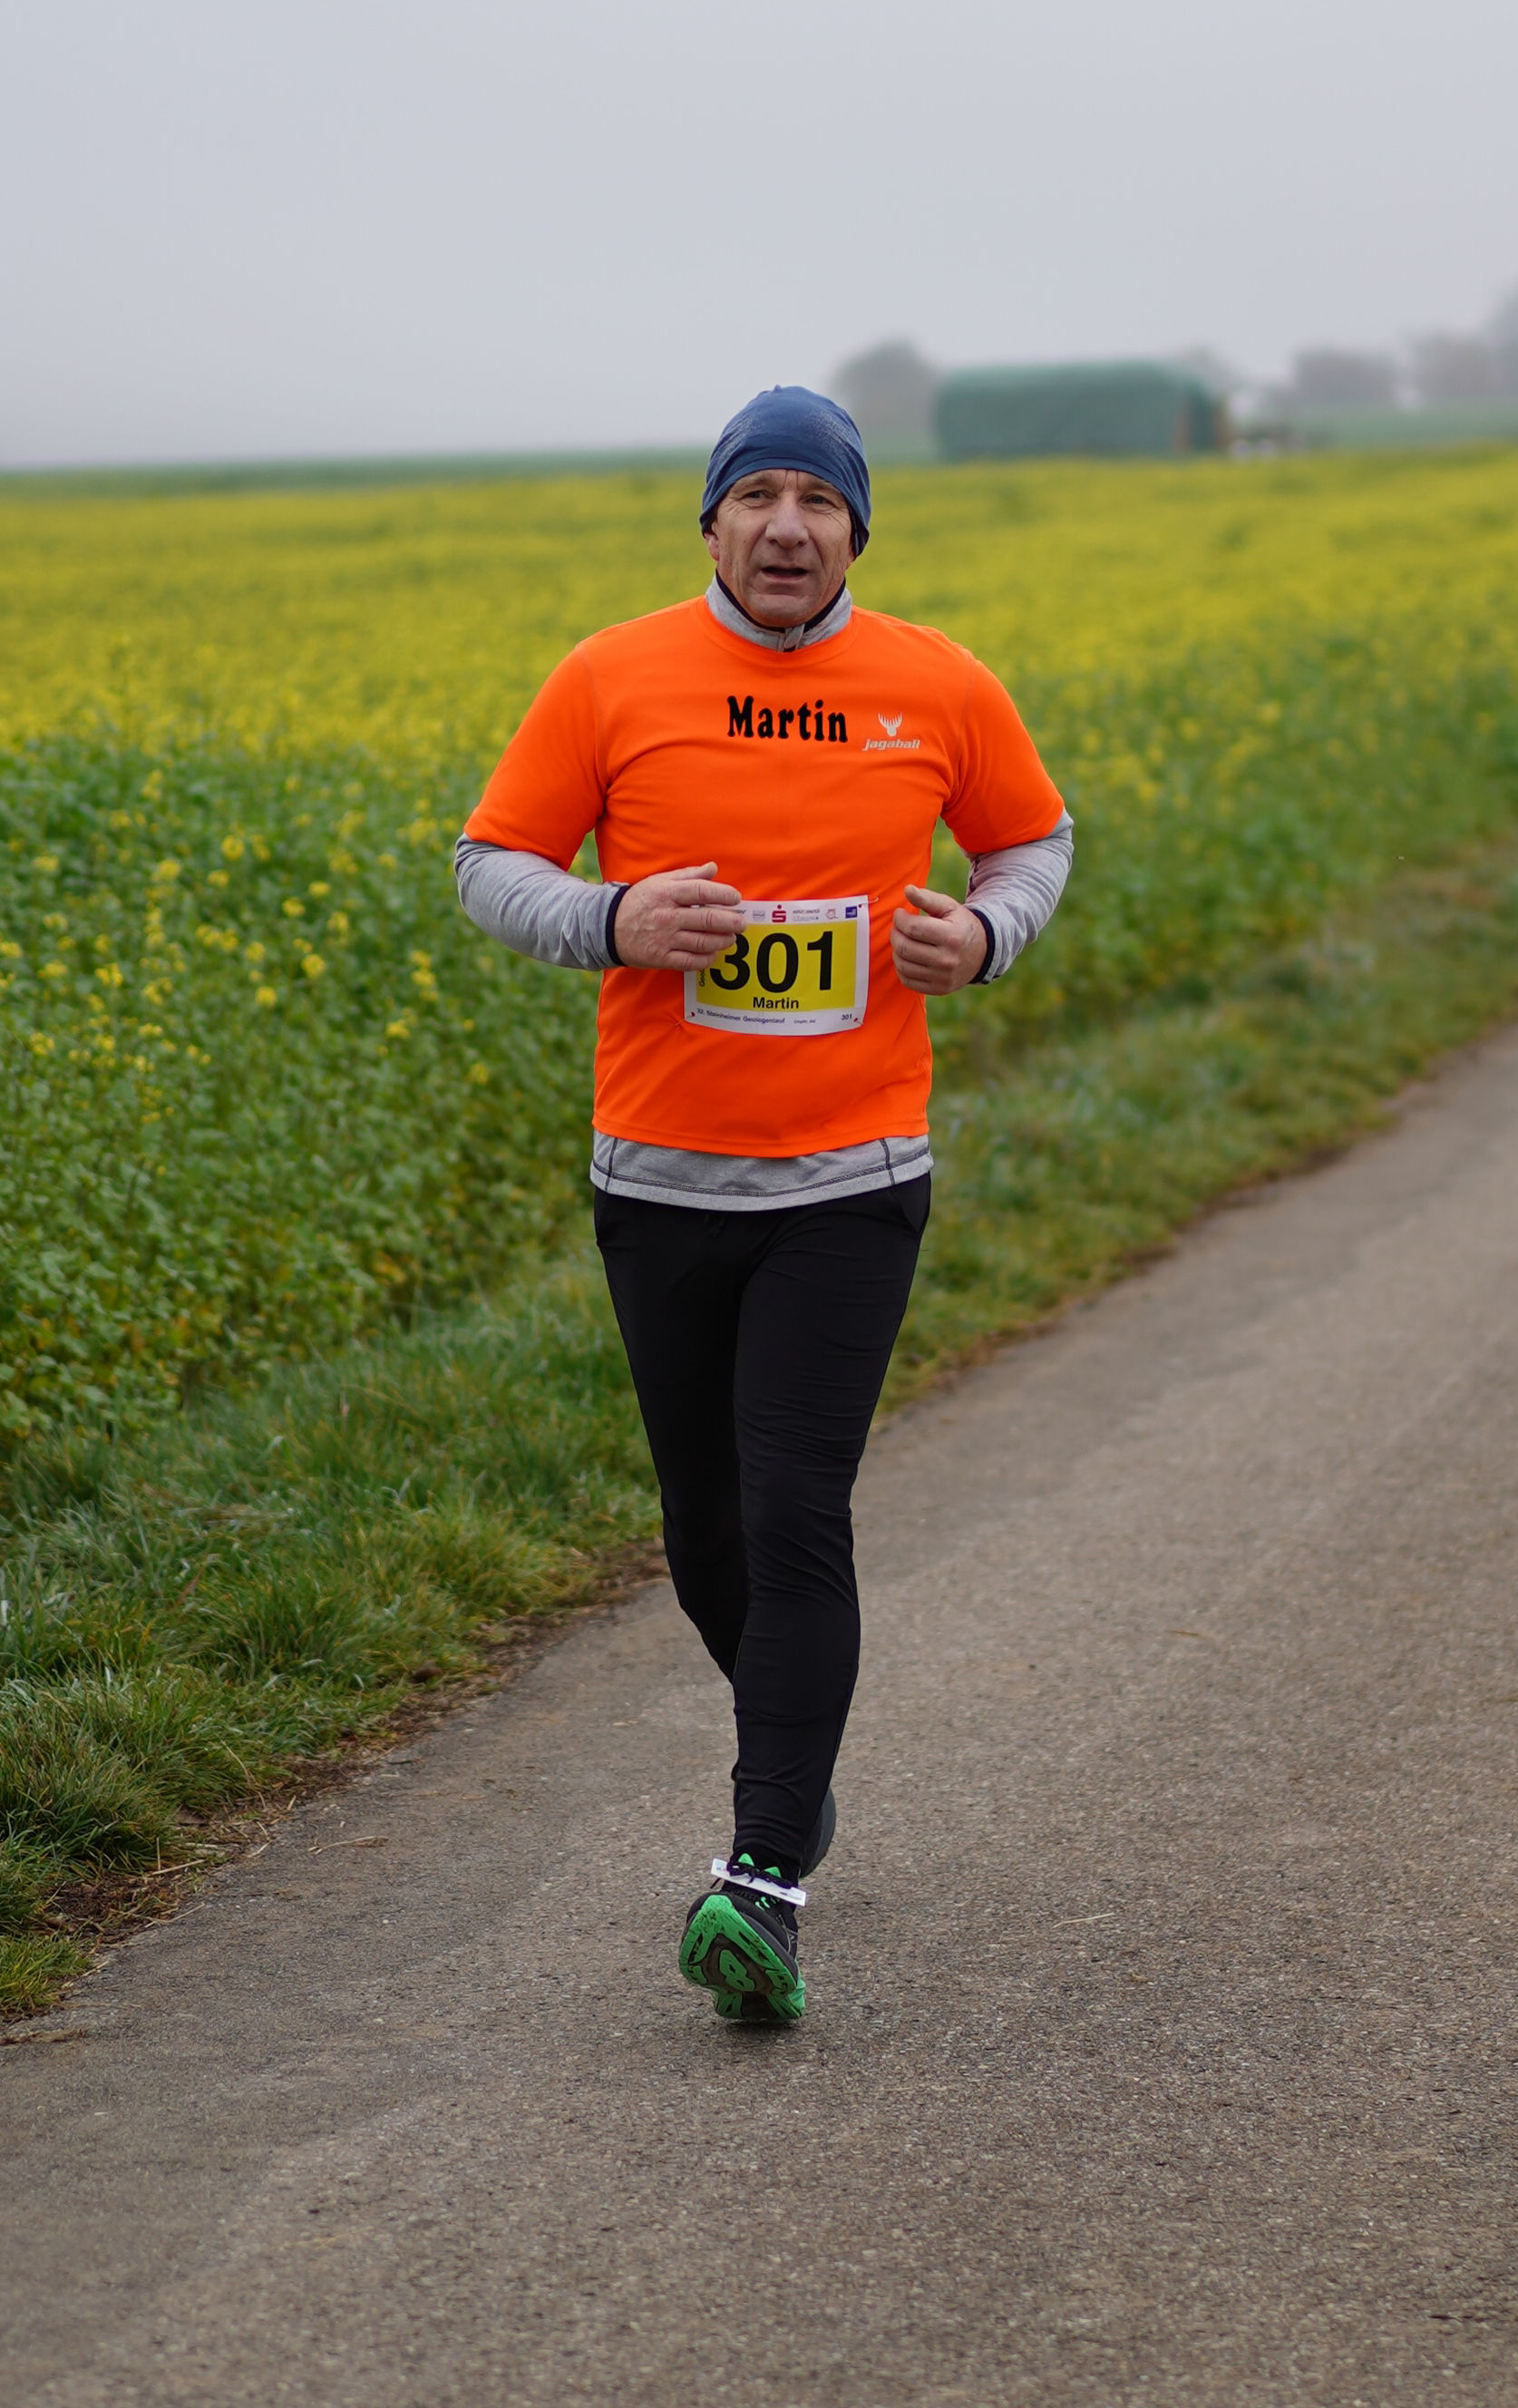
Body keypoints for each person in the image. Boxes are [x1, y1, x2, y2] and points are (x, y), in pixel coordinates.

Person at [456, 383, 1072, 2028]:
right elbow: (490, 862)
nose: (788, 528)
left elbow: (1033, 843)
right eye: (759, 498)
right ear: (713, 521)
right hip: (660, 1180)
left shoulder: (939, 682)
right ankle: (794, 1763)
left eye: (820, 501)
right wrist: (613, 919)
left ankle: (764, 1879)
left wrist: (985, 937)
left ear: (858, 529)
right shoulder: (612, 675)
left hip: (852, 1182)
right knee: (705, 1534)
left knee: (796, 1508)